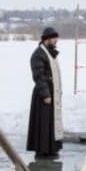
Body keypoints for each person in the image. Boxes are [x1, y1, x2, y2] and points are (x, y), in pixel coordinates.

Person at [26, 27, 64, 159]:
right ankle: (42, 150)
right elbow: (39, 75)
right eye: (53, 39)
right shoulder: (38, 54)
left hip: (52, 92)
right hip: (44, 94)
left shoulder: (50, 53)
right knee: (43, 123)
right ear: (46, 39)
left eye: (56, 38)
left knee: (51, 123)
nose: (55, 41)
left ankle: (52, 148)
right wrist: (46, 94)